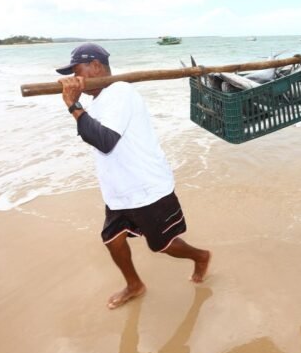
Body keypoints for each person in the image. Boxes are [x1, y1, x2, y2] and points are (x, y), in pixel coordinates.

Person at [56, 43, 211, 310]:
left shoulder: (120, 92)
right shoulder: (100, 100)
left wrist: (73, 105)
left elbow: (104, 141)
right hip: (120, 190)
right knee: (113, 241)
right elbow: (93, 134)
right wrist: (79, 106)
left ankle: (200, 256)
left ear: (96, 66)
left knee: (162, 245)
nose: (73, 77)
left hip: (146, 187)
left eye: (76, 70)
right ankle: (134, 285)